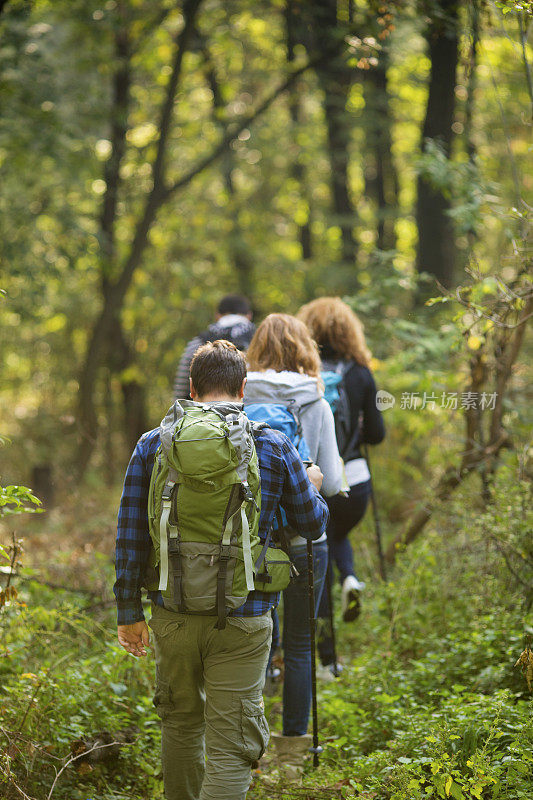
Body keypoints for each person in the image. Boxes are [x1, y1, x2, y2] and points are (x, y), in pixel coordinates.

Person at [114, 339, 328, 800]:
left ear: (191, 387)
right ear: (243, 388)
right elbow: (311, 524)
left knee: (181, 727)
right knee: (231, 748)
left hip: (172, 612)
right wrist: (311, 483)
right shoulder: (270, 444)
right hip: (245, 615)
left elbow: (129, 532)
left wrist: (127, 611)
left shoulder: (153, 444)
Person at [244, 313, 343, 751]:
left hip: (251, 540)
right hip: (305, 541)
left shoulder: (238, 398)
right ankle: (293, 748)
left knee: (254, 632)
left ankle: (247, 740)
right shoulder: (316, 402)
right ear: (306, 348)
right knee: (301, 645)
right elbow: (335, 483)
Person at [297, 297, 385, 673]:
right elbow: (378, 435)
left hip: (314, 480)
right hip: (356, 481)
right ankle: (350, 577)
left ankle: (327, 661)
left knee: (319, 556)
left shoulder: (301, 372)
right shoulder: (362, 373)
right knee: (336, 539)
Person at [173, 294, 255, 400]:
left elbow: (181, 387)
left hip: (201, 412)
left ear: (217, 315)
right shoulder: (259, 340)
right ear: (249, 315)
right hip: (253, 411)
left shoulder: (198, 341)